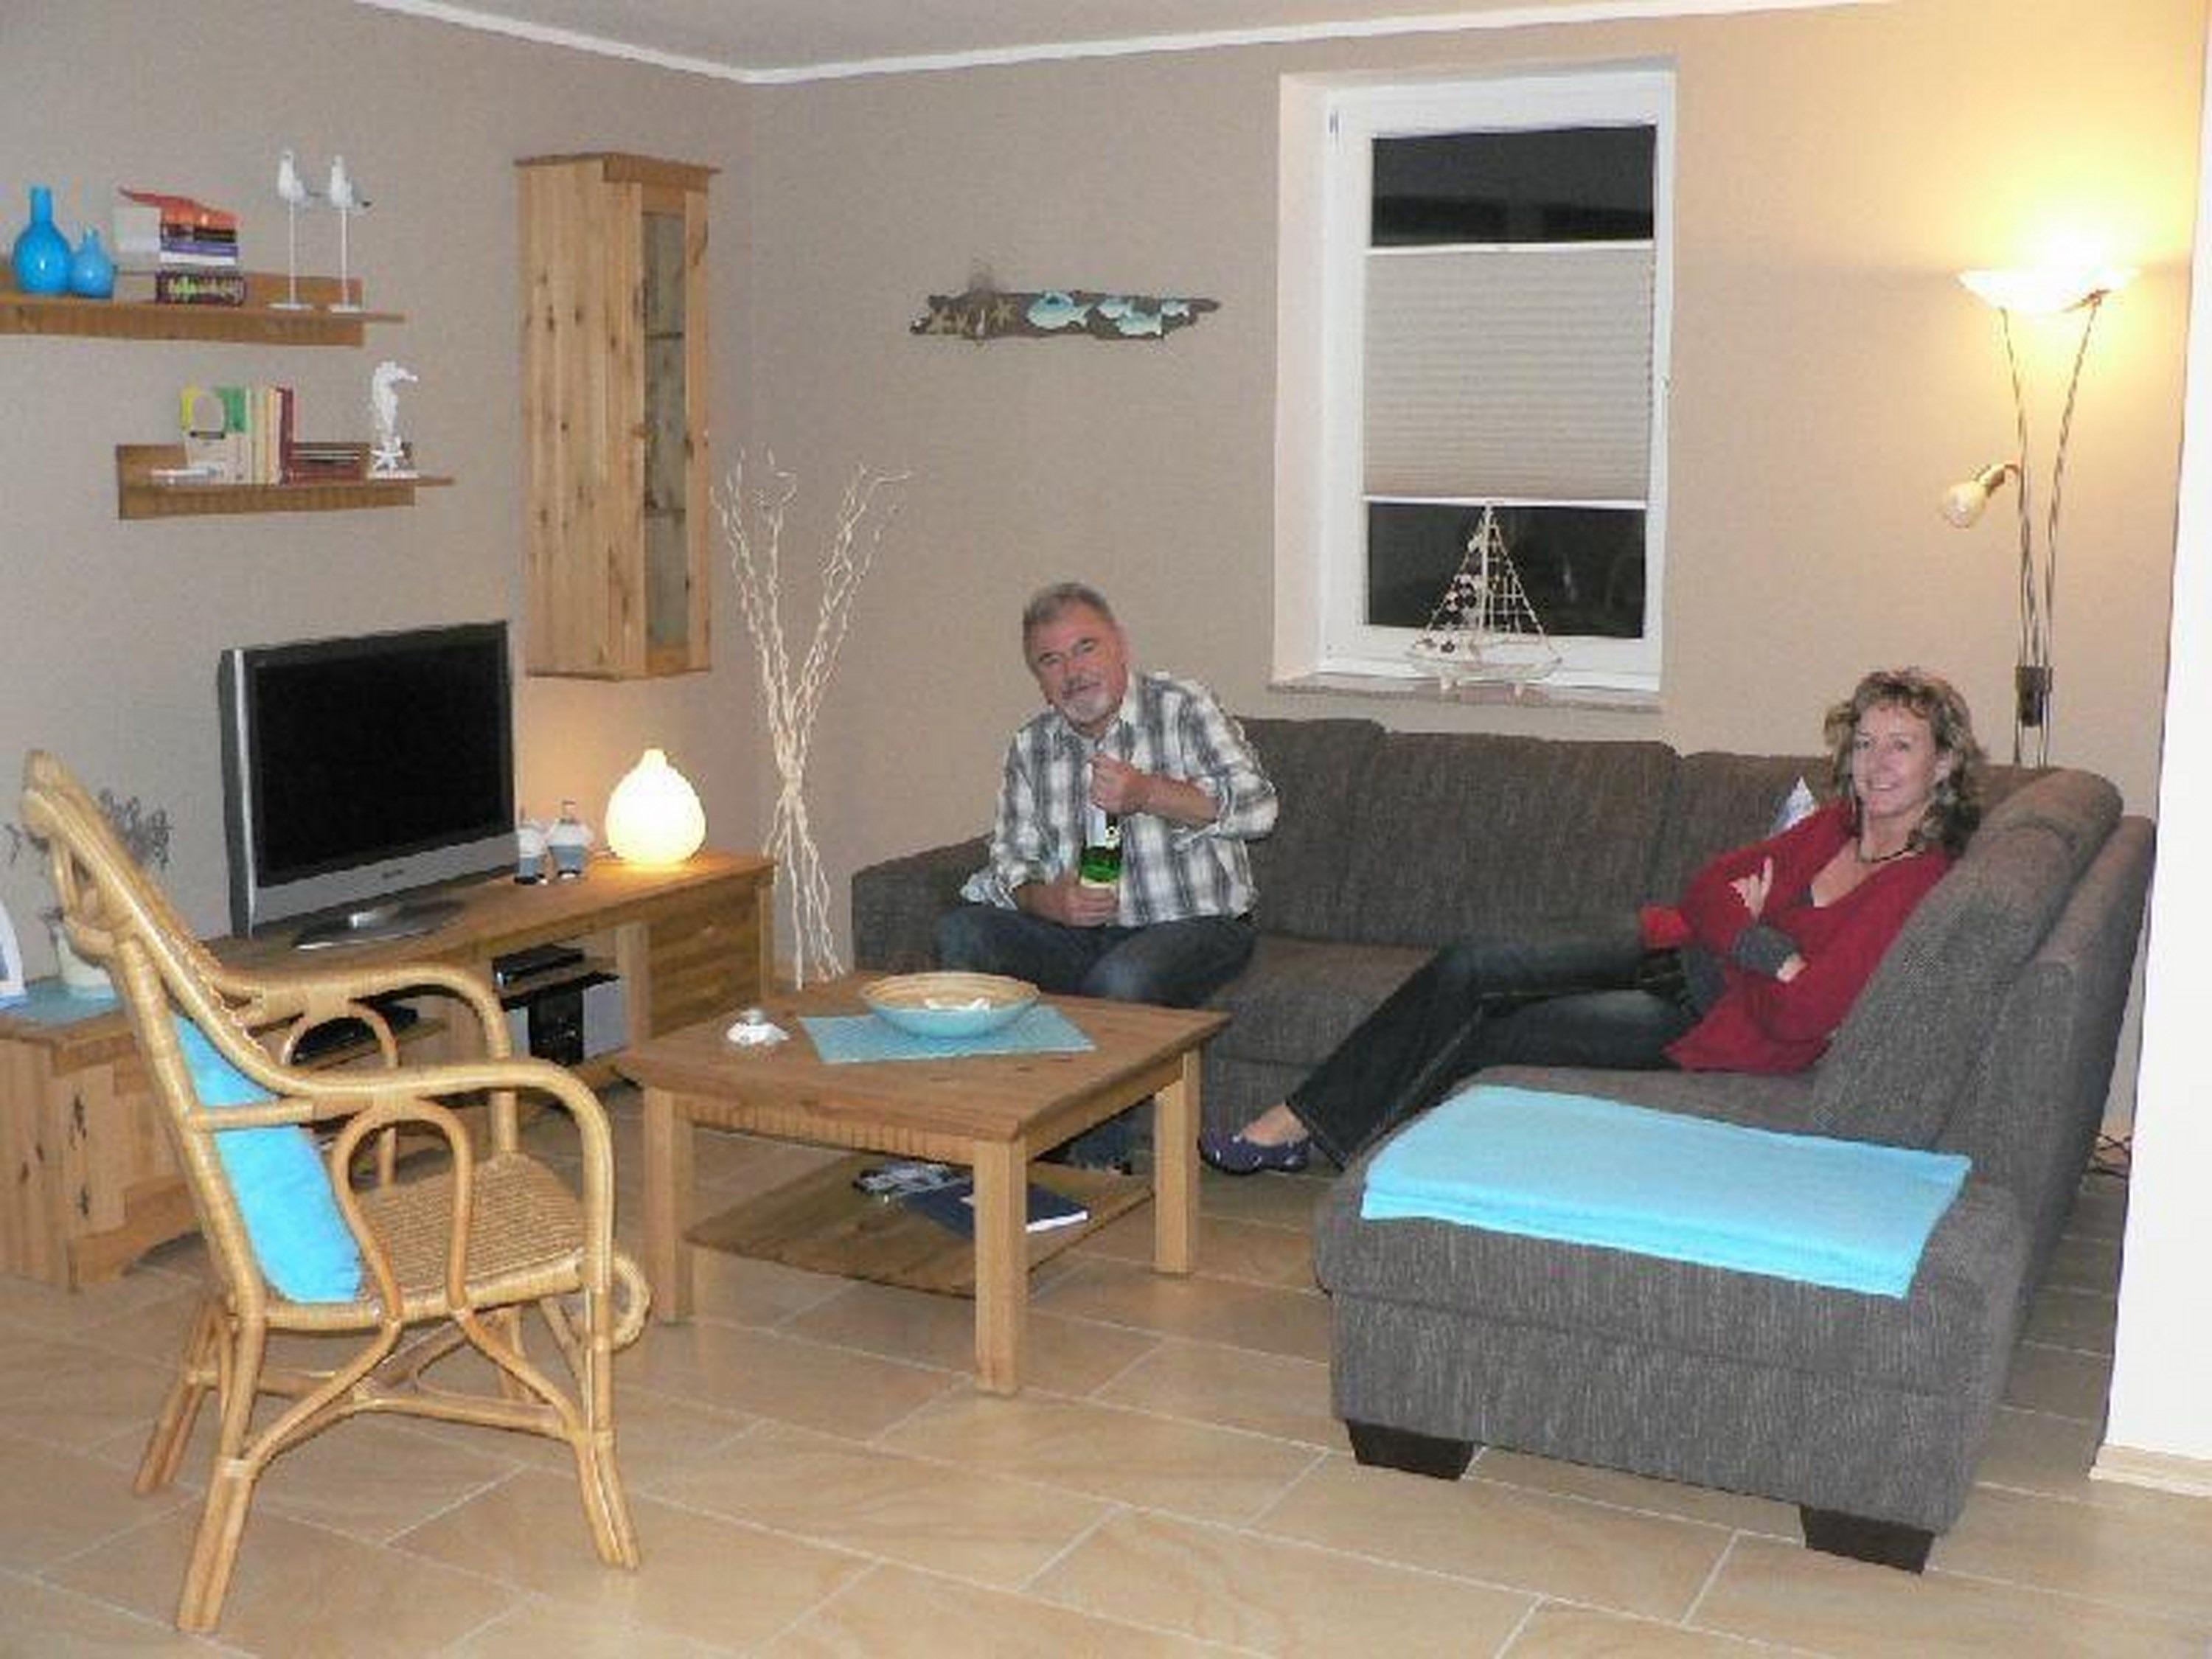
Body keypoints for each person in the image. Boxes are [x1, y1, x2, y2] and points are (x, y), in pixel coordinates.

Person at [1202, 667, 1983, 1174]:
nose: (1877, 764)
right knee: (1473, 962)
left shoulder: (1917, 881)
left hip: (1703, 1025)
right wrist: (1765, 950)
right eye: (1866, 744)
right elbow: (1709, 889)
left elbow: (1800, 1015)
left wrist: (1749, 939)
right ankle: (1299, 1123)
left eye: (1902, 746)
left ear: (1944, 762)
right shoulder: (1833, 826)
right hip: (1669, 944)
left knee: (1500, 1033)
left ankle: (1339, 1148)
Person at [937, 582, 1279, 1167]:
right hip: (1079, 933)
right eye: (1051, 660)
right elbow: (1010, 859)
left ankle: (1096, 1163)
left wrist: (1149, 793)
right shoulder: (1032, 746)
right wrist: (1049, 901)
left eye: (1085, 648)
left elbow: (1260, 808)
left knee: (1120, 982)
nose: (1073, 672)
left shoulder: (1182, 707)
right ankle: (985, 1135)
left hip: (1196, 926)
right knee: (962, 933)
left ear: (1120, 646)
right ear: (1039, 677)